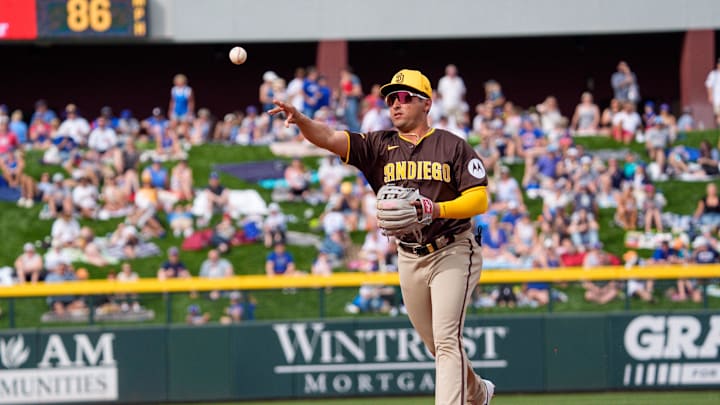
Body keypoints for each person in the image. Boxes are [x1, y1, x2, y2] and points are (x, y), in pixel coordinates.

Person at [270, 68, 494, 405]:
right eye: (391, 98)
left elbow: (480, 198)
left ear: (427, 104)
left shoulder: (452, 145)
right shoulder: (378, 145)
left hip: (453, 249)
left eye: (405, 97)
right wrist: (302, 121)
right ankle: (477, 391)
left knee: (447, 340)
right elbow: (331, 138)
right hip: (408, 255)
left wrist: (435, 209)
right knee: (437, 345)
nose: (396, 104)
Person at [705, 58, 720, 128]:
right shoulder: (713, 74)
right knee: (718, 114)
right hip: (717, 99)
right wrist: (710, 96)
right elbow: (709, 85)